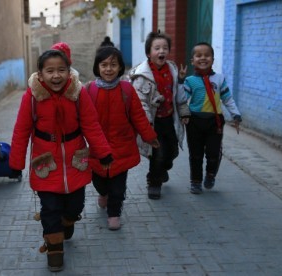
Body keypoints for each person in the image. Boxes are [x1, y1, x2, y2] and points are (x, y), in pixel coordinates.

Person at [9, 49, 113, 272]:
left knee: (75, 205)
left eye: (61, 70)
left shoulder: (78, 93)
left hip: (75, 159)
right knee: (50, 208)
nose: (56, 76)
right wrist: (16, 163)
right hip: (45, 161)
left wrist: (103, 152)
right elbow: (21, 130)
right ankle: (54, 250)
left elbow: (91, 125)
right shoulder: (32, 96)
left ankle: (69, 221)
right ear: (40, 73)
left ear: (69, 71)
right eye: (50, 71)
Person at [86, 46, 159, 230]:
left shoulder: (127, 89)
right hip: (97, 149)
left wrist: (149, 137)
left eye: (113, 64)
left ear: (120, 67)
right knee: (99, 183)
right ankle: (103, 194)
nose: (108, 69)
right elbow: (82, 119)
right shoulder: (89, 90)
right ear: (97, 67)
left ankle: (114, 213)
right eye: (104, 65)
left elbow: (138, 116)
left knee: (118, 187)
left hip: (122, 147)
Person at [129, 31, 190, 200]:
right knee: (158, 154)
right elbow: (140, 102)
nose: (161, 51)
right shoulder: (142, 76)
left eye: (165, 48)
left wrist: (184, 111)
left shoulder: (172, 70)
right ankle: (154, 182)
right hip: (153, 122)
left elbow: (179, 94)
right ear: (149, 53)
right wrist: (147, 123)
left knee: (172, 152)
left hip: (169, 120)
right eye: (157, 48)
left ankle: (163, 168)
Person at [183, 42, 242, 194]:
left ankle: (210, 174)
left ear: (213, 59)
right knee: (195, 154)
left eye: (207, 55)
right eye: (199, 55)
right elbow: (182, 99)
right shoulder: (189, 81)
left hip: (215, 122)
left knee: (213, 153)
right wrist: (179, 82)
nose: (203, 58)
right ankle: (195, 181)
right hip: (194, 121)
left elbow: (227, 99)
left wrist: (236, 115)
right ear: (192, 60)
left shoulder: (219, 79)